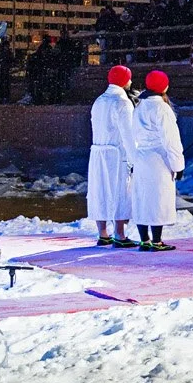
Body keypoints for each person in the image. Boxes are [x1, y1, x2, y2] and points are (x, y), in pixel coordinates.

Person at [130, 69, 183, 252]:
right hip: (158, 159)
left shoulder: (139, 106)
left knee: (142, 198)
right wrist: (178, 164)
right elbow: (171, 139)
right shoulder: (162, 108)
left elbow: (133, 134)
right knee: (157, 199)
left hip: (141, 157)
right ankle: (157, 240)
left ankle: (144, 239)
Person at [87, 65, 137, 248]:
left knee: (99, 191)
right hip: (116, 154)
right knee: (120, 192)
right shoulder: (122, 102)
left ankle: (102, 233)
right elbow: (128, 134)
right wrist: (135, 160)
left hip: (98, 152)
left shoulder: (99, 100)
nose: (131, 82)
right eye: (129, 78)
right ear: (124, 80)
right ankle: (120, 234)